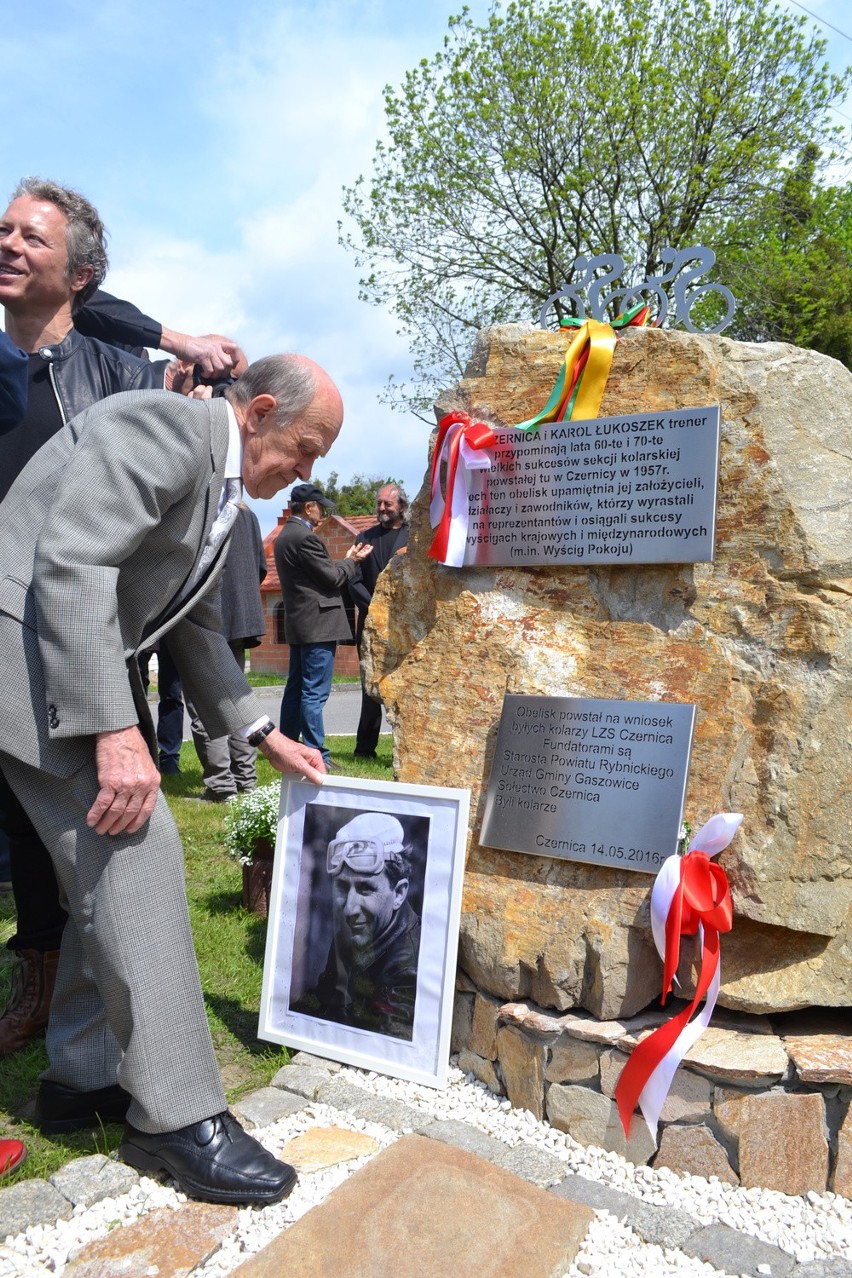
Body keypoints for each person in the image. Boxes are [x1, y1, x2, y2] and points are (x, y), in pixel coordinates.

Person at [0, 351, 342, 1204]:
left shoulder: (215, 479)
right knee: (138, 846)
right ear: (259, 411)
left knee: (103, 865)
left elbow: (179, 623)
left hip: (49, 654)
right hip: (24, 653)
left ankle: (82, 1079)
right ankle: (180, 1118)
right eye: (306, 447)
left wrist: (262, 734)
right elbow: (74, 567)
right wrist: (117, 729)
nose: (307, 472)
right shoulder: (165, 427)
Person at [0, 176, 246, 1058]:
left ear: (81, 274)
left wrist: (171, 345)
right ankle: (42, 975)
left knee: (86, 822)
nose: (9, 245)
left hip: (81, 632)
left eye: (33, 237)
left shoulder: (116, 374)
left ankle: (73, 984)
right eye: (5, 230)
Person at [292, 813, 421, 1039]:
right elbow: (328, 998)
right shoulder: (353, 931)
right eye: (342, 887)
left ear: (399, 893)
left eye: (365, 889)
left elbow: (386, 1041)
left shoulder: (408, 966)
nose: (350, 909)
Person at [275, 483, 373, 766]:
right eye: (321, 506)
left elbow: (321, 574)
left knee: (296, 689)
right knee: (314, 692)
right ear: (308, 507)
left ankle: (289, 745)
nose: (323, 512)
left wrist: (339, 564)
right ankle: (317, 753)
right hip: (318, 625)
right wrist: (351, 561)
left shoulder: (285, 536)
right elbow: (331, 578)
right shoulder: (305, 538)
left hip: (301, 624)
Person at [189, 504, 268, 801]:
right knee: (236, 702)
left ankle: (221, 786)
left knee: (204, 705)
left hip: (208, 618)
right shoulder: (248, 514)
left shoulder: (205, 507)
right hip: (241, 618)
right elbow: (261, 567)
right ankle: (246, 781)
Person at [349, 484, 409, 758]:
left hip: (405, 624)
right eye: (380, 503)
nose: (383, 508)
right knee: (370, 690)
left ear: (402, 506)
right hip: (371, 625)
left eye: (388, 504)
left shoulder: (413, 536)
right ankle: (364, 748)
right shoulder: (364, 537)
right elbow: (353, 579)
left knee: (407, 688)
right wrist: (374, 607)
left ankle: (406, 746)